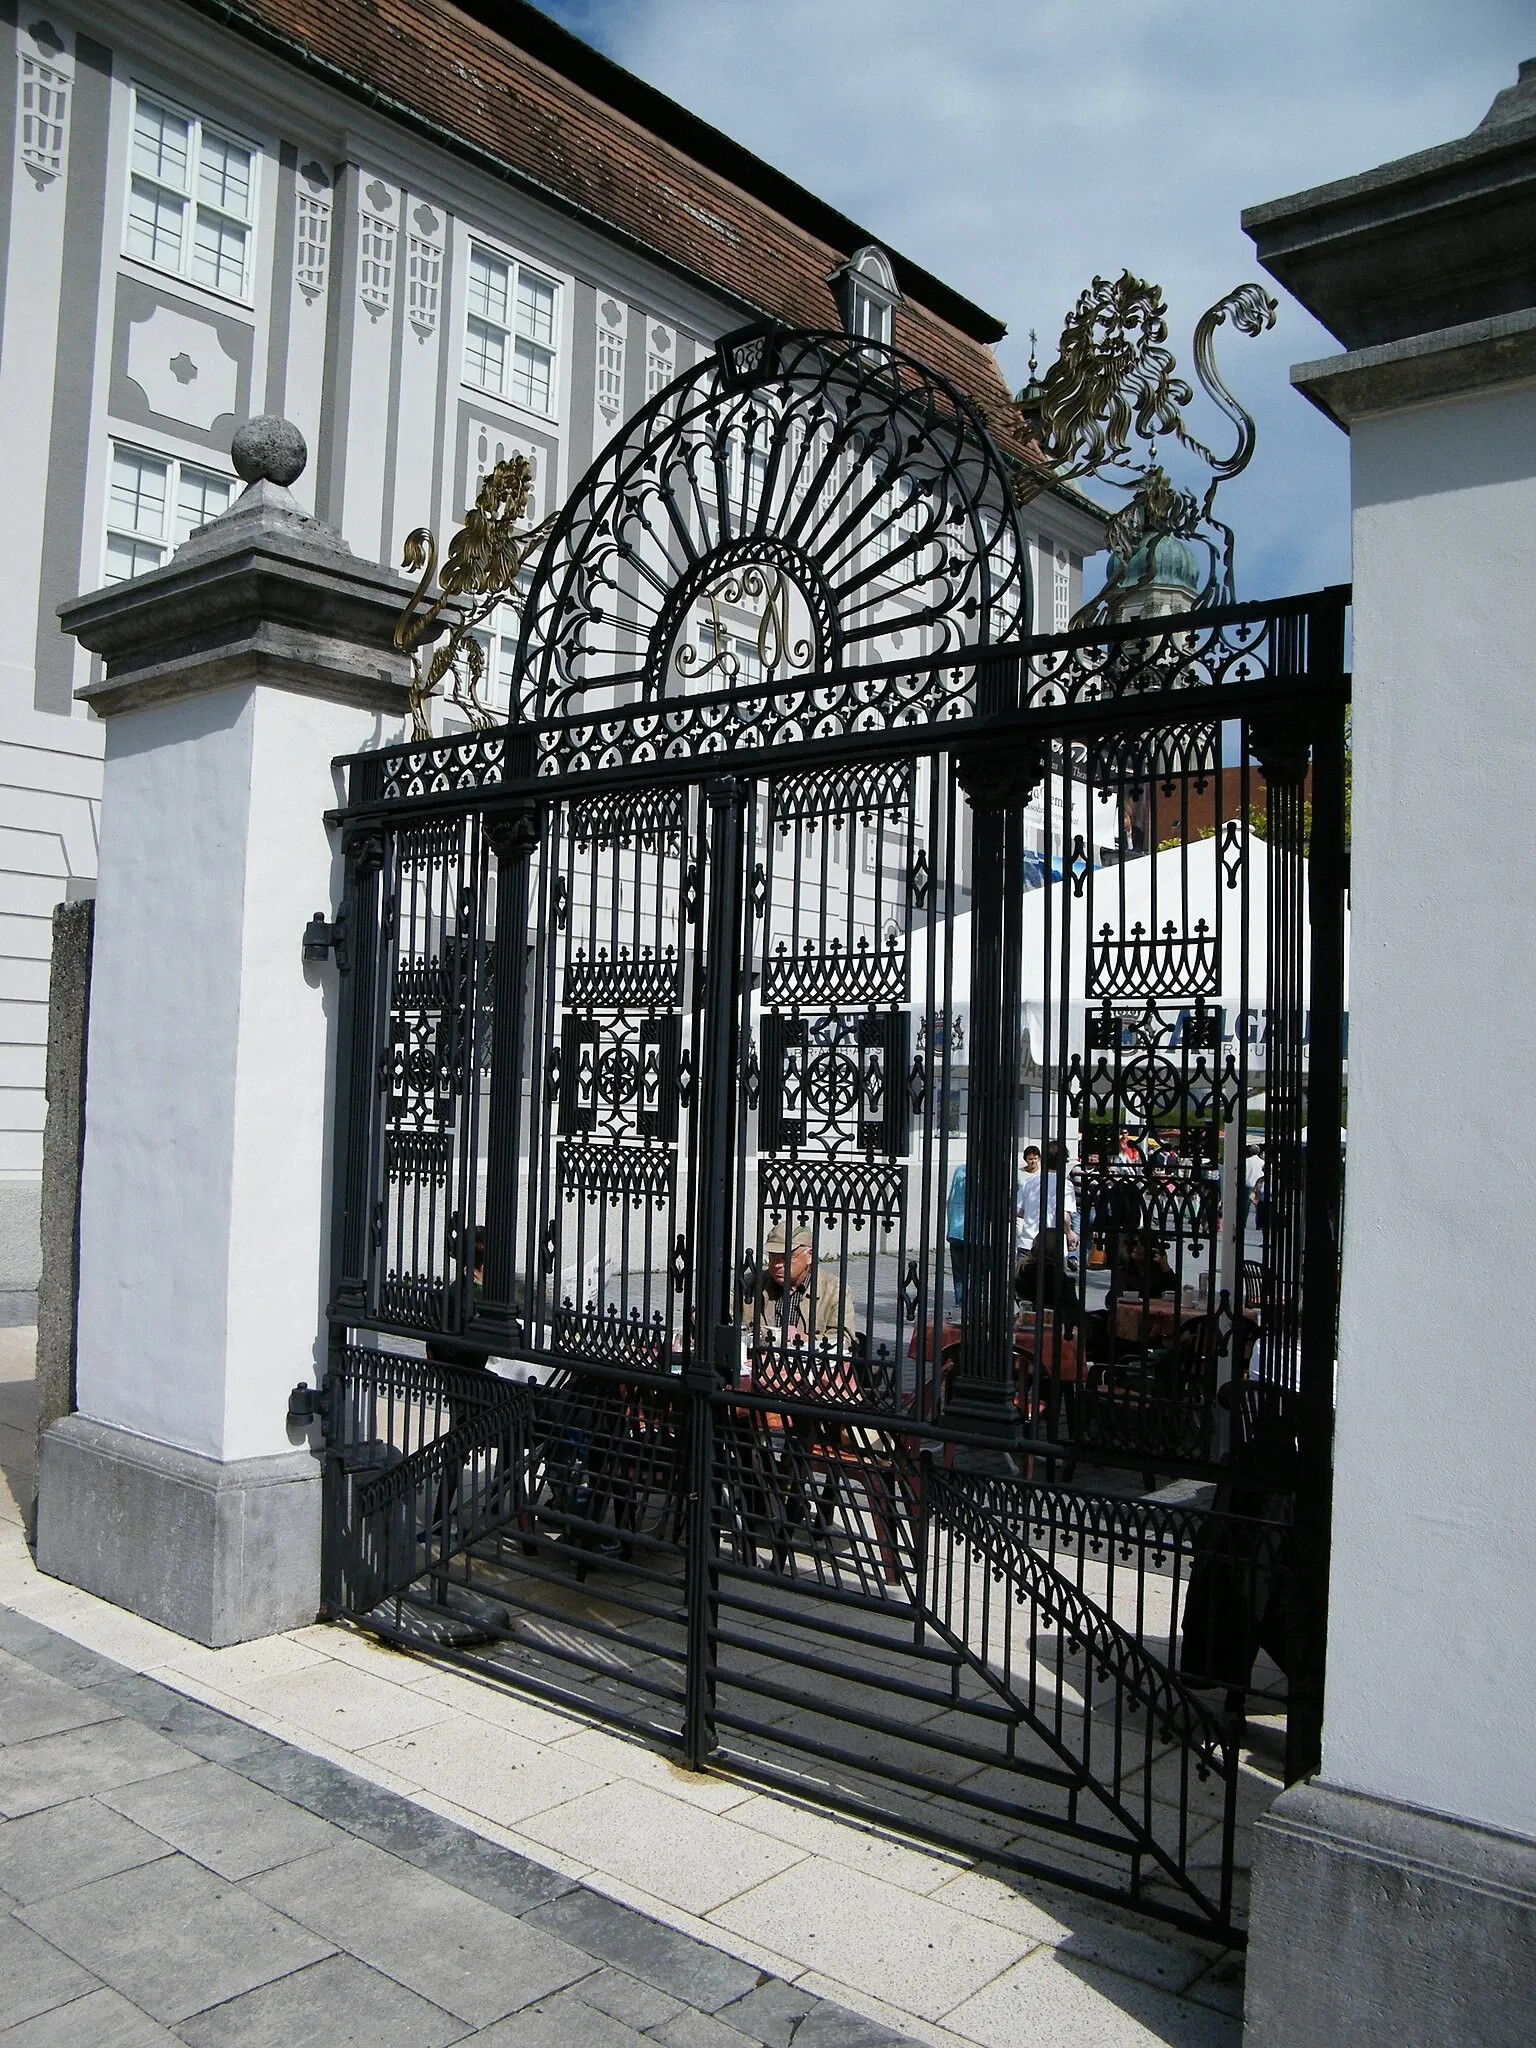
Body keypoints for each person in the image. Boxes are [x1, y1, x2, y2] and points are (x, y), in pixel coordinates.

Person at [751, 1221, 856, 1359]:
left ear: (809, 1256)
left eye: (786, 1257)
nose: (777, 1264)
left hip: (809, 1369)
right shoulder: (752, 1284)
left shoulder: (834, 1289)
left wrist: (803, 1339)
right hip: (762, 1364)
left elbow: (844, 1340)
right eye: (772, 1256)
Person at [945, 1162, 968, 1310]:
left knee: (959, 1272)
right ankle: (972, 1304)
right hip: (978, 1232)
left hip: (956, 1228)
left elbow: (950, 1199)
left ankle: (960, 1303)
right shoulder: (988, 1172)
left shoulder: (960, 1170)